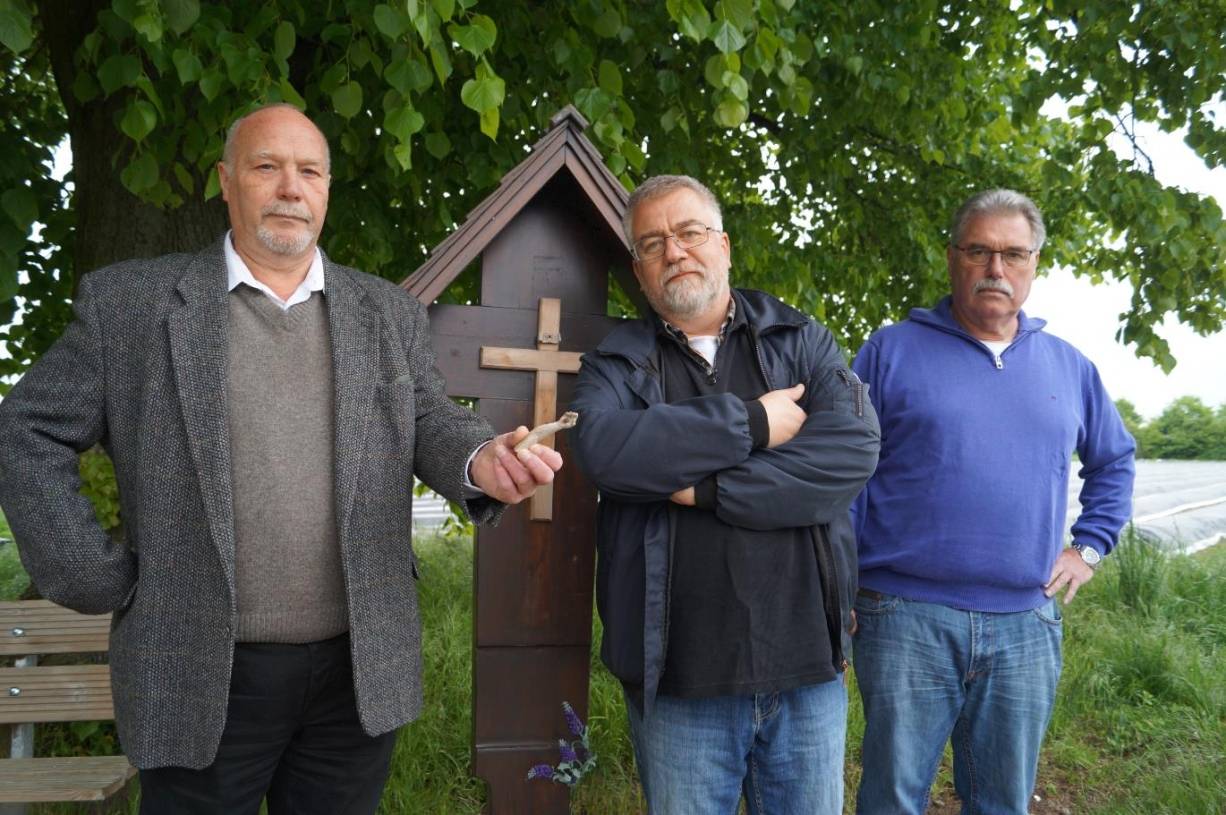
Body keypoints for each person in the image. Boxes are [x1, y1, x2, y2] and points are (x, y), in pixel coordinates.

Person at [0, 103, 561, 813]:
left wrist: (480, 458)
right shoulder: (132, 304)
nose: (291, 188)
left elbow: (425, 419)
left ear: (326, 189)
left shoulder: (385, 311)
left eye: (310, 171)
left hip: (356, 672)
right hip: (198, 666)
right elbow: (27, 428)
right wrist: (88, 571)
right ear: (226, 180)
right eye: (267, 166)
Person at [569, 174, 880, 814]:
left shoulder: (801, 339)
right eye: (652, 243)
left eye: (689, 232)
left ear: (724, 245)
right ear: (638, 268)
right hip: (679, 683)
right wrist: (756, 423)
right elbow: (603, 450)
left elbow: (849, 453)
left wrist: (706, 488)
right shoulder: (615, 362)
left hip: (806, 672)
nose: (674, 251)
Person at [850, 189, 1136, 814]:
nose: (995, 268)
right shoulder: (890, 351)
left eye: (1013, 254)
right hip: (904, 616)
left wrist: (1088, 548)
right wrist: (838, 584)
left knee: (1003, 800)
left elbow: (1114, 460)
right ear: (952, 257)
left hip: (1024, 623)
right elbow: (846, 474)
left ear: (1035, 263)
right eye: (978, 251)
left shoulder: (1069, 367)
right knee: (892, 796)